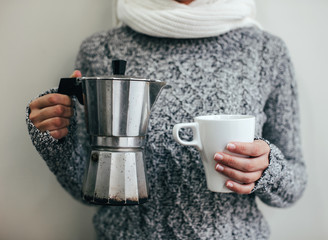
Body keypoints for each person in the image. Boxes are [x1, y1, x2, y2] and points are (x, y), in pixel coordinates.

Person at [26, 0, 307, 239]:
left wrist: (268, 168)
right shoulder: (101, 49)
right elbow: (87, 188)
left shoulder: (266, 51)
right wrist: (59, 139)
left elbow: (295, 184)